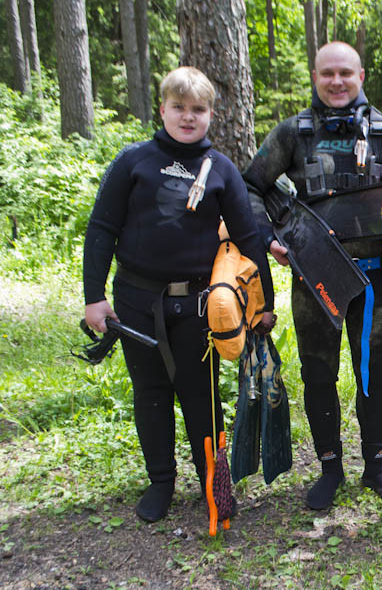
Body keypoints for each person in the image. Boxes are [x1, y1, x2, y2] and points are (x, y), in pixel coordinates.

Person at [243, 41, 382, 511]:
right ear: (315, 76)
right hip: (316, 282)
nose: (336, 81)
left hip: (374, 282)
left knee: (374, 374)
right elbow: (250, 187)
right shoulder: (292, 133)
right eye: (327, 73)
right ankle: (330, 469)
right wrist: (267, 239)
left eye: (345, 74)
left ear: (361, 76)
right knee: (318, 374)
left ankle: (376, 468)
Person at [83, 66, 275, 523]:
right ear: (163, 108)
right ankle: (161, 483)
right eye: (179, 108)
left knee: (200, 395)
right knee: (150, 393)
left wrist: (262, 305)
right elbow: (102, 228)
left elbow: (248, 239)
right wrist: (94, 297)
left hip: (197, 305)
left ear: (211, 114)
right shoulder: (134, 162)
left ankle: (212, 481)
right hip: (134, 301)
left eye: (199, 110)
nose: (188, 117)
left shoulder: (223, 170)